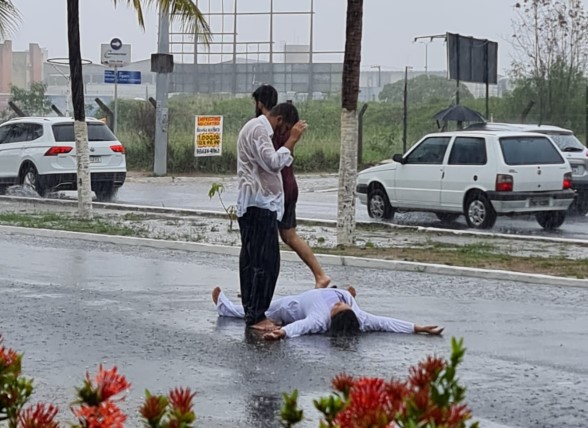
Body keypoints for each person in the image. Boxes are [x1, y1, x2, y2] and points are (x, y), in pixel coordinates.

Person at [236, 102, 307, 331]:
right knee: (266, 263)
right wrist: (291, 141)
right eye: (285, 129)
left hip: (257, 204)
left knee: (253, 261)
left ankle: (253, 312)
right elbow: (273, 162)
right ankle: (257, 316)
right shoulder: (258, 129)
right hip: (258, 205)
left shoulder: (257, 128)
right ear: (280, 120)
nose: (282, 135)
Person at [252, 85, 331, 288]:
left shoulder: (267, 129)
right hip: (288, 186)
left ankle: (255, 286)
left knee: (261, 240)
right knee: (289, 235)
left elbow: (271, 161)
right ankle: (320, 274)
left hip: (278, 190)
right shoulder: (280, 128)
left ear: (259, 103)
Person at [211, 286, 444, 340]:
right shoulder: (357, 313)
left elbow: (300, 327)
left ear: (331, 316)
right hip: (320, 291)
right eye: (341, 304)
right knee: (345, 292)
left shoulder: (320, 318)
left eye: (337, 307)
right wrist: (418, 327)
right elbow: (386, 322)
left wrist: (280, 333)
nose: (338, 303)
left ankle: (224, 306)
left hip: (292, 307)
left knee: (258, 310)